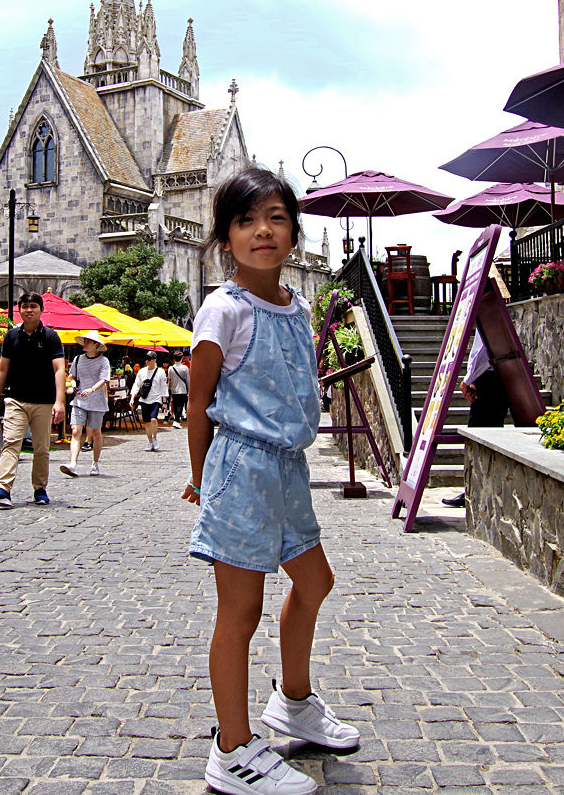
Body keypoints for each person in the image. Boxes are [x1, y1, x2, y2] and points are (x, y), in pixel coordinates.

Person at [183, 168, 358, 795]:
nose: (263, 230)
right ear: (225, 237)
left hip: (287, 468)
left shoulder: (298, 305)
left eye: (276, 217)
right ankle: (231, 748)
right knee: (241, 609)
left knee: (315, 580)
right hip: (240, 466)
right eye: (246, 220)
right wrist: (202, 478)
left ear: (293, 232)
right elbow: (198, 402)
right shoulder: (222, 309)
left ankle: (293, 700)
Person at [0, 293, 66, 507]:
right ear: (20, 309)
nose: (29, 310)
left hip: (43, 400)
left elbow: (59, 369)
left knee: (41, 448)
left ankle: (40, 488)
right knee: (11, 442)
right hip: (15, 399)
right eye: (25, 306)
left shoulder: (50, 337)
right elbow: (2, 369)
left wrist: (60, 401)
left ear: (40, 310)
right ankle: (3, 488)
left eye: (33, 306)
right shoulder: (11, 336)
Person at [443, 331, 510, 508]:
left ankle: (475, 491)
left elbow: (482, 352)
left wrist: (468, 379)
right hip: (495, 378)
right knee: (488, 432)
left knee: (479, 434)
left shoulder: (486, 311)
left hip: (489, 380)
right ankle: (479, 490)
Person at [61, 331, 111, 477]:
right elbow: (72, 375)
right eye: (84, 341)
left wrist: (92, 389)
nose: (85, 343)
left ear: (96, 345)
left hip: (97, 402)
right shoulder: (78, 359)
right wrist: (74, 383)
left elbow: (104, 380)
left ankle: (95, 463)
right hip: (79, 400)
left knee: (95, 432)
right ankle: (73, 464)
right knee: (76, 431)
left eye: (88, 341)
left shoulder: (103, 362)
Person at [131, 349, 169, 452]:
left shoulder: (160, 372)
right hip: (144, 399)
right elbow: (137, 384)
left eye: (149, 359)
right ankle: (150, 441)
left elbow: (163, 387)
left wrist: (164, 401)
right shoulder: (142, 371)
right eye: (146, 359)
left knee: (153, 419)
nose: (147, 361)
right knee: (147, 422)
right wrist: (132, 397)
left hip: (156, 399)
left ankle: (155, 438)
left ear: (154, 360)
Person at [167, 351, 191, 428]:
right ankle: (176, 420)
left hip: (174, 390)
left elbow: (169, 379)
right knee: (180, 405)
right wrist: (189, 390)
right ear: (181, 358)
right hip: (183, 389)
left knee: (176, 404)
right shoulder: (185, 368)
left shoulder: (170, 368)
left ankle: (176, 419)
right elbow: (187, 380)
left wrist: (169, 389)